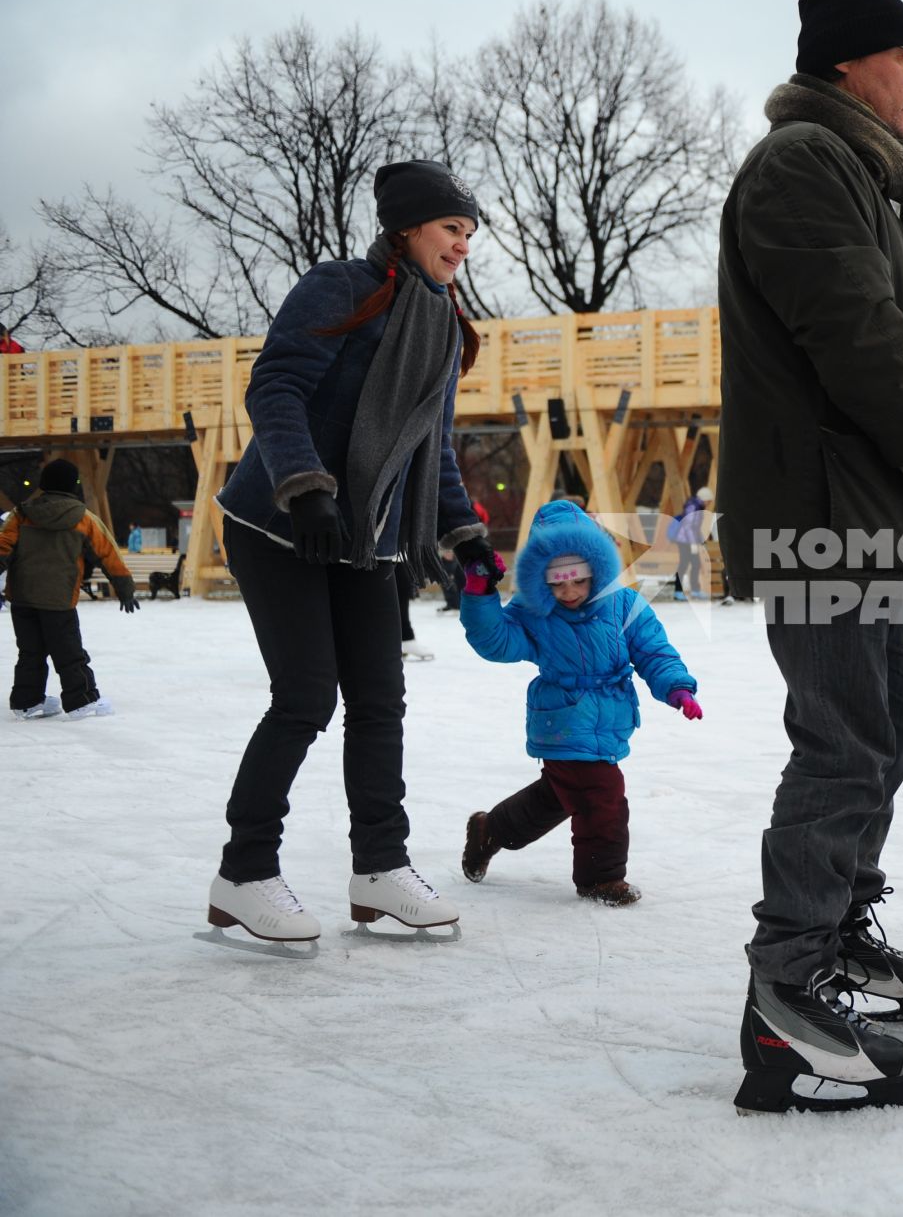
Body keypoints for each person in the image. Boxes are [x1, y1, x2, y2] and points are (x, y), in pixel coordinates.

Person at [715, 0, 903, 1112]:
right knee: (843, 740)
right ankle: (786, 996)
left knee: (890, 724)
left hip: (852, 507)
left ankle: (831, 934)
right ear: (847, 60)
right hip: (815, 514)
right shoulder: (802, 165)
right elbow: (860, 345)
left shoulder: (851, 173)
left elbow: (875, 345)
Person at [205, 158, 495, 948]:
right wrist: (306, 485)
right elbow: (276, 387)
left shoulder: (437, 321)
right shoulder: (338, 286)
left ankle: (379, 866)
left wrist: (463, 532)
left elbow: (428, 447)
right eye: (450, 228)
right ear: (407, 229)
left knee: (380, 699)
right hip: (282, 520)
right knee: (305, 697)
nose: (462, 245)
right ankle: (244, 871)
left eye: (469, 233)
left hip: (366, 534)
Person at [457, 500, 701, 905]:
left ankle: (491, 830)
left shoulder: (624, 603)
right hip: (562, 718)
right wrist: (480, 594)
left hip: (609, 717)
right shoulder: (535, 612)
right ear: (542, 580)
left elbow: (654, 650)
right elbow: (496, 642)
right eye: (557, 583)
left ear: (597, 569)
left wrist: (677, 687)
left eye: (579, 581)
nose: (568, 592)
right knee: (602, 795)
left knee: (557, 797)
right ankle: (600, 877)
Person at [0, 457, 138, 721]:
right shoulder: (83, 518)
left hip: (23, 598)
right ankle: (81, 700)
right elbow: (108, 554)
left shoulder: (21, 514)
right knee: (69, 652)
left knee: (30, 652)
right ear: (73, 485)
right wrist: (125, 588)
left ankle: (27, 701)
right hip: (58, 599)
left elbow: (2, 547)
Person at [669, 485, 715, 601]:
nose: (709, 503)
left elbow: (695, 527)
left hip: (689, 540)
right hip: (685, 541)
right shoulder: (693, 506)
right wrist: (693, 543)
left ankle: (695, 590)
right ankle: (678, 592)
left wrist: (699, 540)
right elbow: (688, 526)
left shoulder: (697, 506)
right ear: (705, 499)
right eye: (709, 501)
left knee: (695, 564)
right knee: (684, 565)